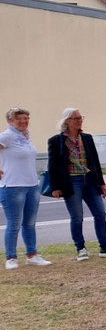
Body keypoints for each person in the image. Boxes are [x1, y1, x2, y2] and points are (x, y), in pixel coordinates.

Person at [48, 108, 106, 259]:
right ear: (67, 121)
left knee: (100, 213)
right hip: (72, 182)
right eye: (76, 118)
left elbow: (95, 162)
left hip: (89, 180)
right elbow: (52, 165)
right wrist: (55, 187)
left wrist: (101, 183)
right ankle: (80, 248)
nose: (80, 120)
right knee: (77, 216)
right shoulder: (57, 141)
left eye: (80, 117)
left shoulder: (87, 138)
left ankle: (105, 246)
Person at [0, 108, 50, 269]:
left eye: (26, 118)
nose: (23, 121)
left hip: (31, 184)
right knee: (14, 223)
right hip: (12, 186)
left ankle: (32, 255)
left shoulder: (26, 136)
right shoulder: (6, 136)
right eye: (19, 118)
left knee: (30, 222)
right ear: (10, 121)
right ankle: (11, 258)